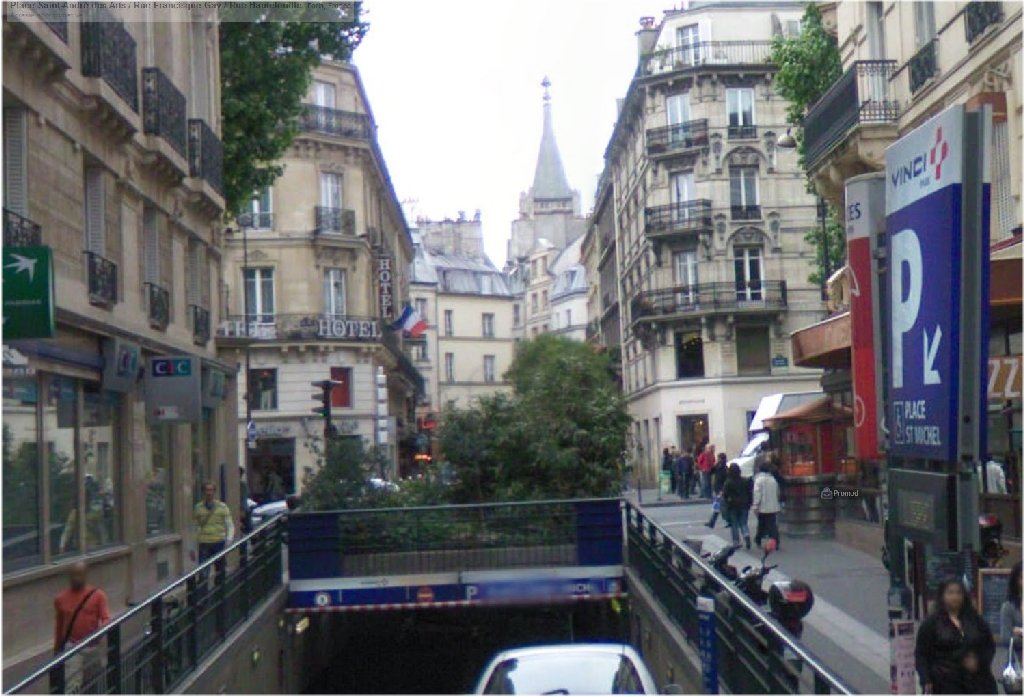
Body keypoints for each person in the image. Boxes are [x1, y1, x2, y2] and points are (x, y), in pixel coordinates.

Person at [915, 578, 997, 694]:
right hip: (945, 682)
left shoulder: (975, 620)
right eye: (950, 593)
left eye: (959, 593)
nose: (955, 597)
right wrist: (926, 679)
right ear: (942, 596)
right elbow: (921, 654)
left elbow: (989, 645)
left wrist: (979, 660)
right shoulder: (931, 623)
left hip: (977, 682)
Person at [54, 561, 111, 692]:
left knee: (91, 685)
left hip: (92, 646)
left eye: (79, 574)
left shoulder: (98, 596)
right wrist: (57, 649)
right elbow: (59, 625)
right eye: (73, 575)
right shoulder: (60, 599)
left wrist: (101, 630)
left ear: (85, 575)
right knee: (72, 685)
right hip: (72, 646)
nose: (76, 578)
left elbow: (106, 618)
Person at [192, 481, 234, 579]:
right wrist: (192, 547)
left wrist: (229, 540)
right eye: (206, 490)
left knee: (220, 571)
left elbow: (229, 525)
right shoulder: (198, 508)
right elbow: (195, 527)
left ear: (214, 492)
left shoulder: (222, 507)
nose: (209, 493)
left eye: (211, 490)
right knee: (203, 573)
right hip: (204, 542)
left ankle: (220, 588)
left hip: (219, 541)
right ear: (203, 492)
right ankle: (204, 588)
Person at [751, 460, 781, 549]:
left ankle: (759, 538)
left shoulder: (759, 480)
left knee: (762, 524)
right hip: (773, 506)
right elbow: (777, 492)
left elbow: (757, 493)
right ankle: (775, 540)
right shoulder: (773, 480)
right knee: (772, 524)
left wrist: (755, 505)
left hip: (762, 507)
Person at [722, 464, 752, 549]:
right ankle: (746, 535)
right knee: (743, 523)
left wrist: (726, 502)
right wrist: (749, 502)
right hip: (744, 504)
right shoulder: (744, 481)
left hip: (733, 504)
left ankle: (736, 542)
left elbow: (725, 495)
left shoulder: (728, 482)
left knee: (734, 524)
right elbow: (749, 493)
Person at [1001, 561, 1022, 667]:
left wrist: (1020, 631)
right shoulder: (1008, 606)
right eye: (1022, 578)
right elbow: (1006, 639)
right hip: (1017, 663)